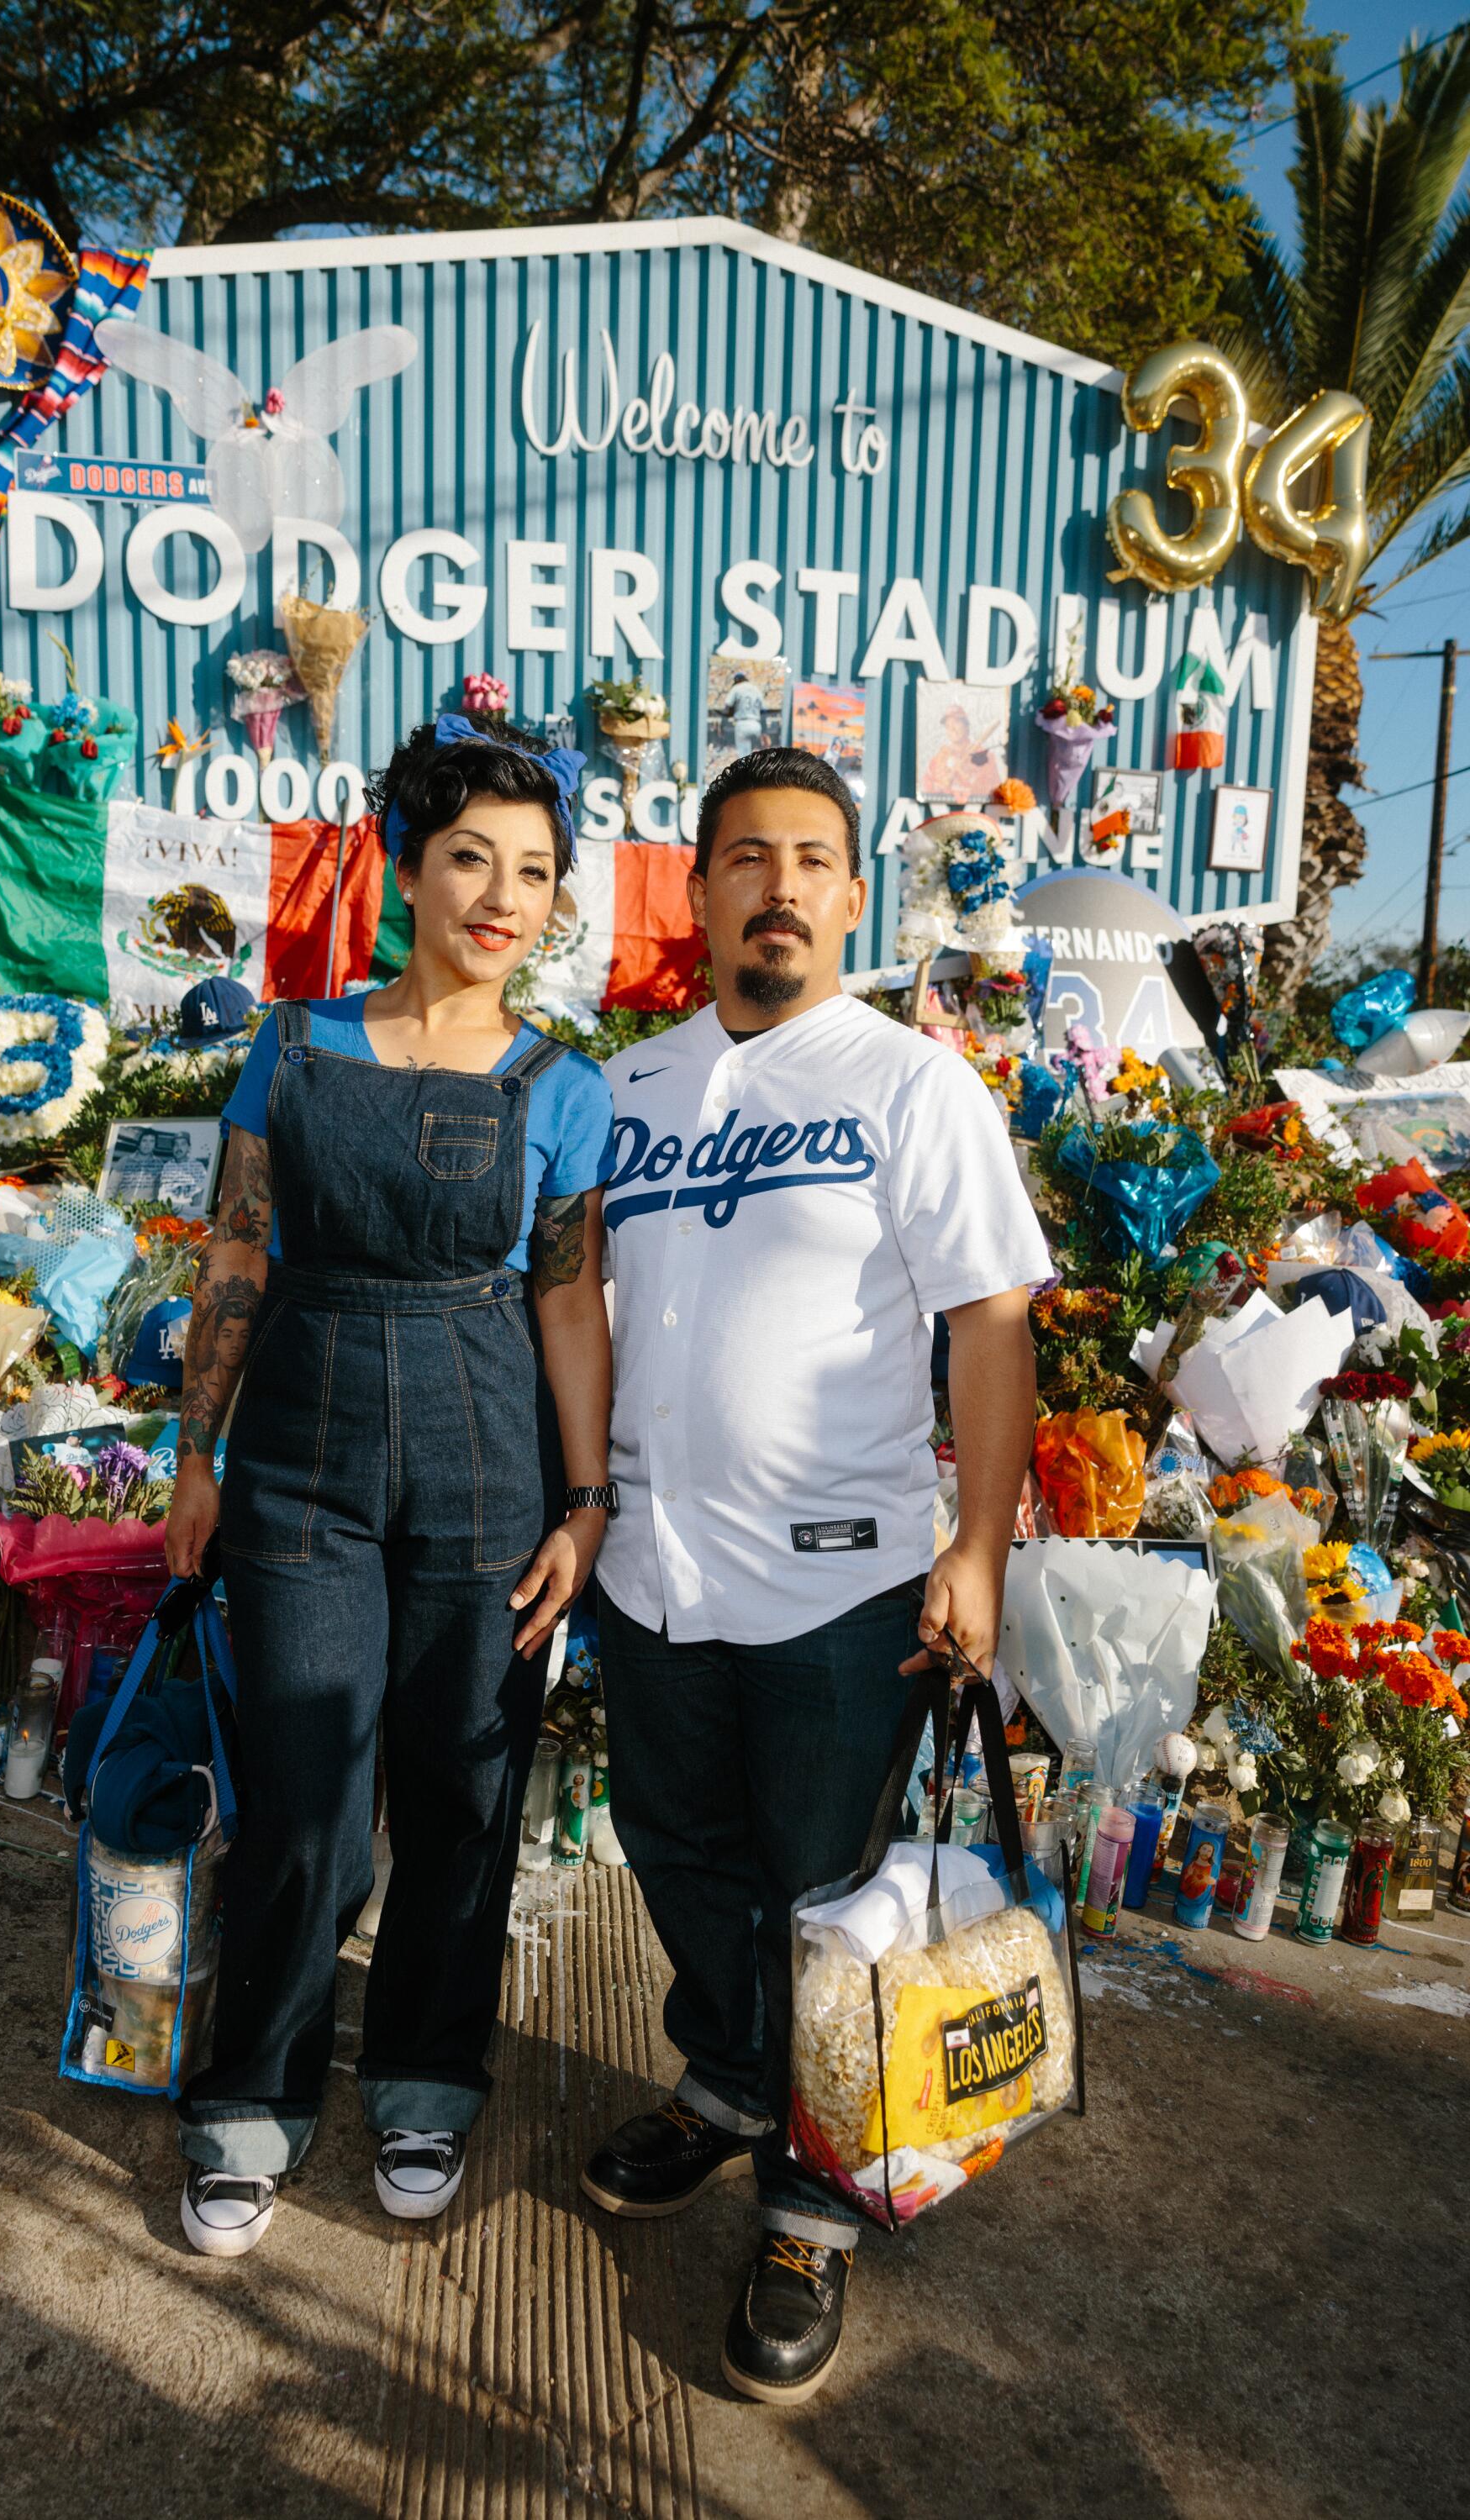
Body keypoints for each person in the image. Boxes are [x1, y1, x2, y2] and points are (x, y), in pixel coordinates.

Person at [580, 748, 1047, 2404]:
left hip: (839, 1590)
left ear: (852, 896)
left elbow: (992, 1318)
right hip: (647, 1572)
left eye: (811, 858)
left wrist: (976, 1547)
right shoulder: (626, 1089)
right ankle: (724, 2081)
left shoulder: (914, 1084)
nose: (778, 883)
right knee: (676, 1848)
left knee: (829, 1898)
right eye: (745, 856)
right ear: (695, 888)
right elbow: (584, 1322)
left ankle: (812, 2196)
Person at [164, 712, 615, 2258]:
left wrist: (589, 1499)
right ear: (410, 871)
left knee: (463, 1788)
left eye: (536, 871)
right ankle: (253, 2097)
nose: (502, 894)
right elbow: (235, 1251)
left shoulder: (565, 1083)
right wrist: (195, 1452)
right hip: (300, 1439)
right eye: (471, 858)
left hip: (491, 1448)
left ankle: (424, 2074)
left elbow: (567, 1296)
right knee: (303, 1799)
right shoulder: (293, 1046)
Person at [923, 702, 1004, 805]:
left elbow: (993, 790)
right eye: (948, 725)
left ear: (966, 727)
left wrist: (962, 772)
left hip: (976, 812)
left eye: (957, 723)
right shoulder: (939, 758)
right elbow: (927, 788)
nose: (952, 728)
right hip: (942, 811)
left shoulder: (983, 755)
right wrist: (943, 783)